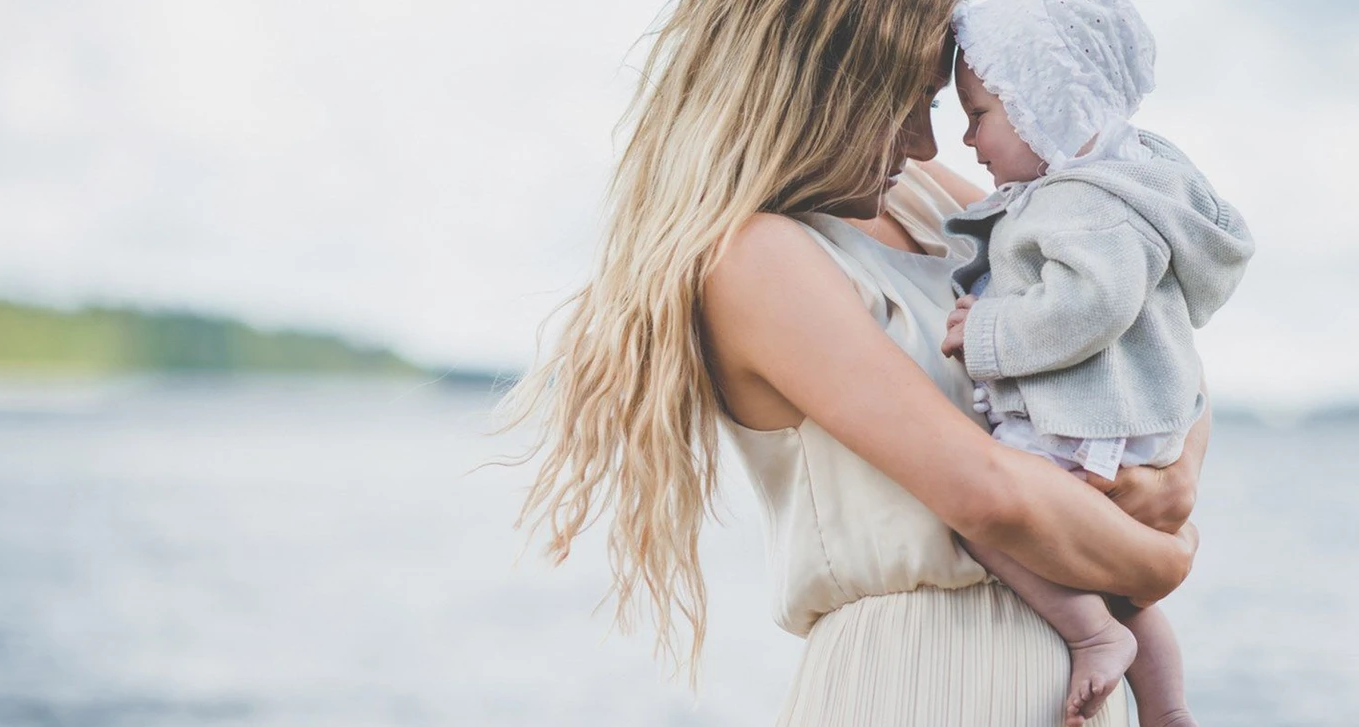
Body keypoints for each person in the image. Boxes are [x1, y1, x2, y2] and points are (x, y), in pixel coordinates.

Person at [498, 1, 1207, 724]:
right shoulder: (754, 259)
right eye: (905, 103)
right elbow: (986, 492)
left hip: (1068, 674)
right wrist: (1164, 556)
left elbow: (1147, 322)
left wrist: (1173, 476)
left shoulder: (930, 204)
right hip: (917, 681)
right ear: (813, 89)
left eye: (934, 102)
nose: (929, 144)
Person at [938, 1, 1254, 725]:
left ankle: (1092, 633)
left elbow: (1090, 304)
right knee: (1112, 579)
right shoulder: (1121, 185)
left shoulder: (1084, 201)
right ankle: (1168, 707)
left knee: (977, 521)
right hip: (1121, 424)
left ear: (1044, 105)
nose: (966, 136)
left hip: (1080, 426)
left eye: (980, 112)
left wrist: (987, 331)